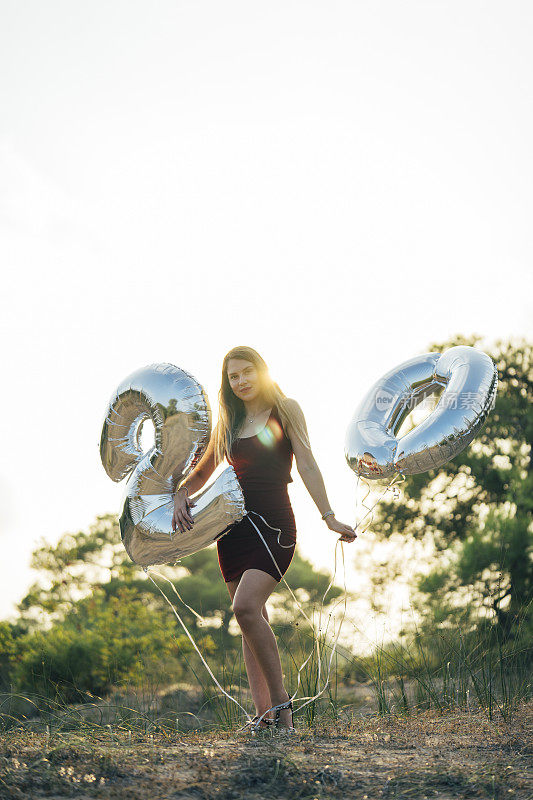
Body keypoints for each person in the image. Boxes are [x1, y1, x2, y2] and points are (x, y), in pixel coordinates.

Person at [171, 346, 357, 733]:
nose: (240, 381)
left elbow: (306, 461)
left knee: (244, 608)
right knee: (251, 620)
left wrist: (329, 517)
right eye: (232, 376)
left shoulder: (286, 409)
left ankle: (284, 714)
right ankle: (263, 716)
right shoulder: (228, 422)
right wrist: (180, 494)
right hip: (233, 530)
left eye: (246, 372)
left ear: (262, 371)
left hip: (274, 526)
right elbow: (203, 470)